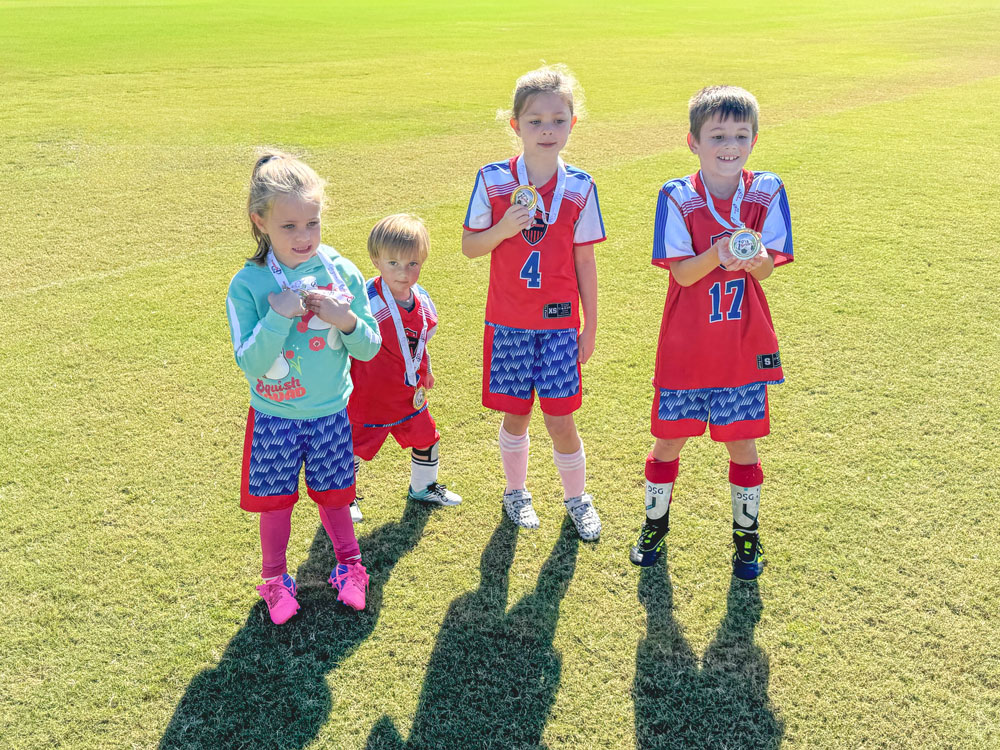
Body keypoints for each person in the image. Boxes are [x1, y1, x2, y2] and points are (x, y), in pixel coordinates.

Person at [629, 86, 793, 580]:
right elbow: (680, 273)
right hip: (687, 349)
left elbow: (767, 269)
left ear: (754, 139)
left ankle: (747, 539)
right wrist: (719, 255)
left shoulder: (766, 189)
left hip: (741, 347)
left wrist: (755, 259)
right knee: (668, 442)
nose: (729, 144)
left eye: (740, 134)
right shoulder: (676, 195)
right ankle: (655, 526)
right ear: (693, 142)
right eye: (717, 135)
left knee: (743, 444)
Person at [225, 150, 382, 622]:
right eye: (289, 226)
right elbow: (250, 362)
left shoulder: (341, 270)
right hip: (275, 417)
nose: (303, 236)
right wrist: (278, 314)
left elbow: (370, 348)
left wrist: (347, 319)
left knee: (335, 493)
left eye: (312, 223)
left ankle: (350, 568)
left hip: (331, 412)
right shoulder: (248, 284)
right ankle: (275, 580)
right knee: (275, 503)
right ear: (260, 221)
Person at [462, 65, 605, 541]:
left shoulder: (582, 186)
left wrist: (590, 326)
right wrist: (503, 228)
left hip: (561, 324)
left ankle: (576, 498)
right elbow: (470, 246)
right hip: (509, 322)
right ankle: (516, 492)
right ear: (515, 125)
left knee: (561, 418)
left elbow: (584, 261)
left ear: (573, 123)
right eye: (536, 121)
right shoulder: (494, 180)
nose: (547, 130)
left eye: (558, 120)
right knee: (517, 412)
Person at [347, 214, 462, 522]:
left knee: (426, 437)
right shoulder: (366, 304)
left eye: (413, 263)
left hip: (407, 394)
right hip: (367, 396)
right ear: (376, 260)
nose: (404, 272)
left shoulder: (423, 299)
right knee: (353, 449)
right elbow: (343, 345)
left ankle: (423, 487)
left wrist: (427, 371)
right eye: (393, 263)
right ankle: (345, 500)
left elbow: (421, 340)